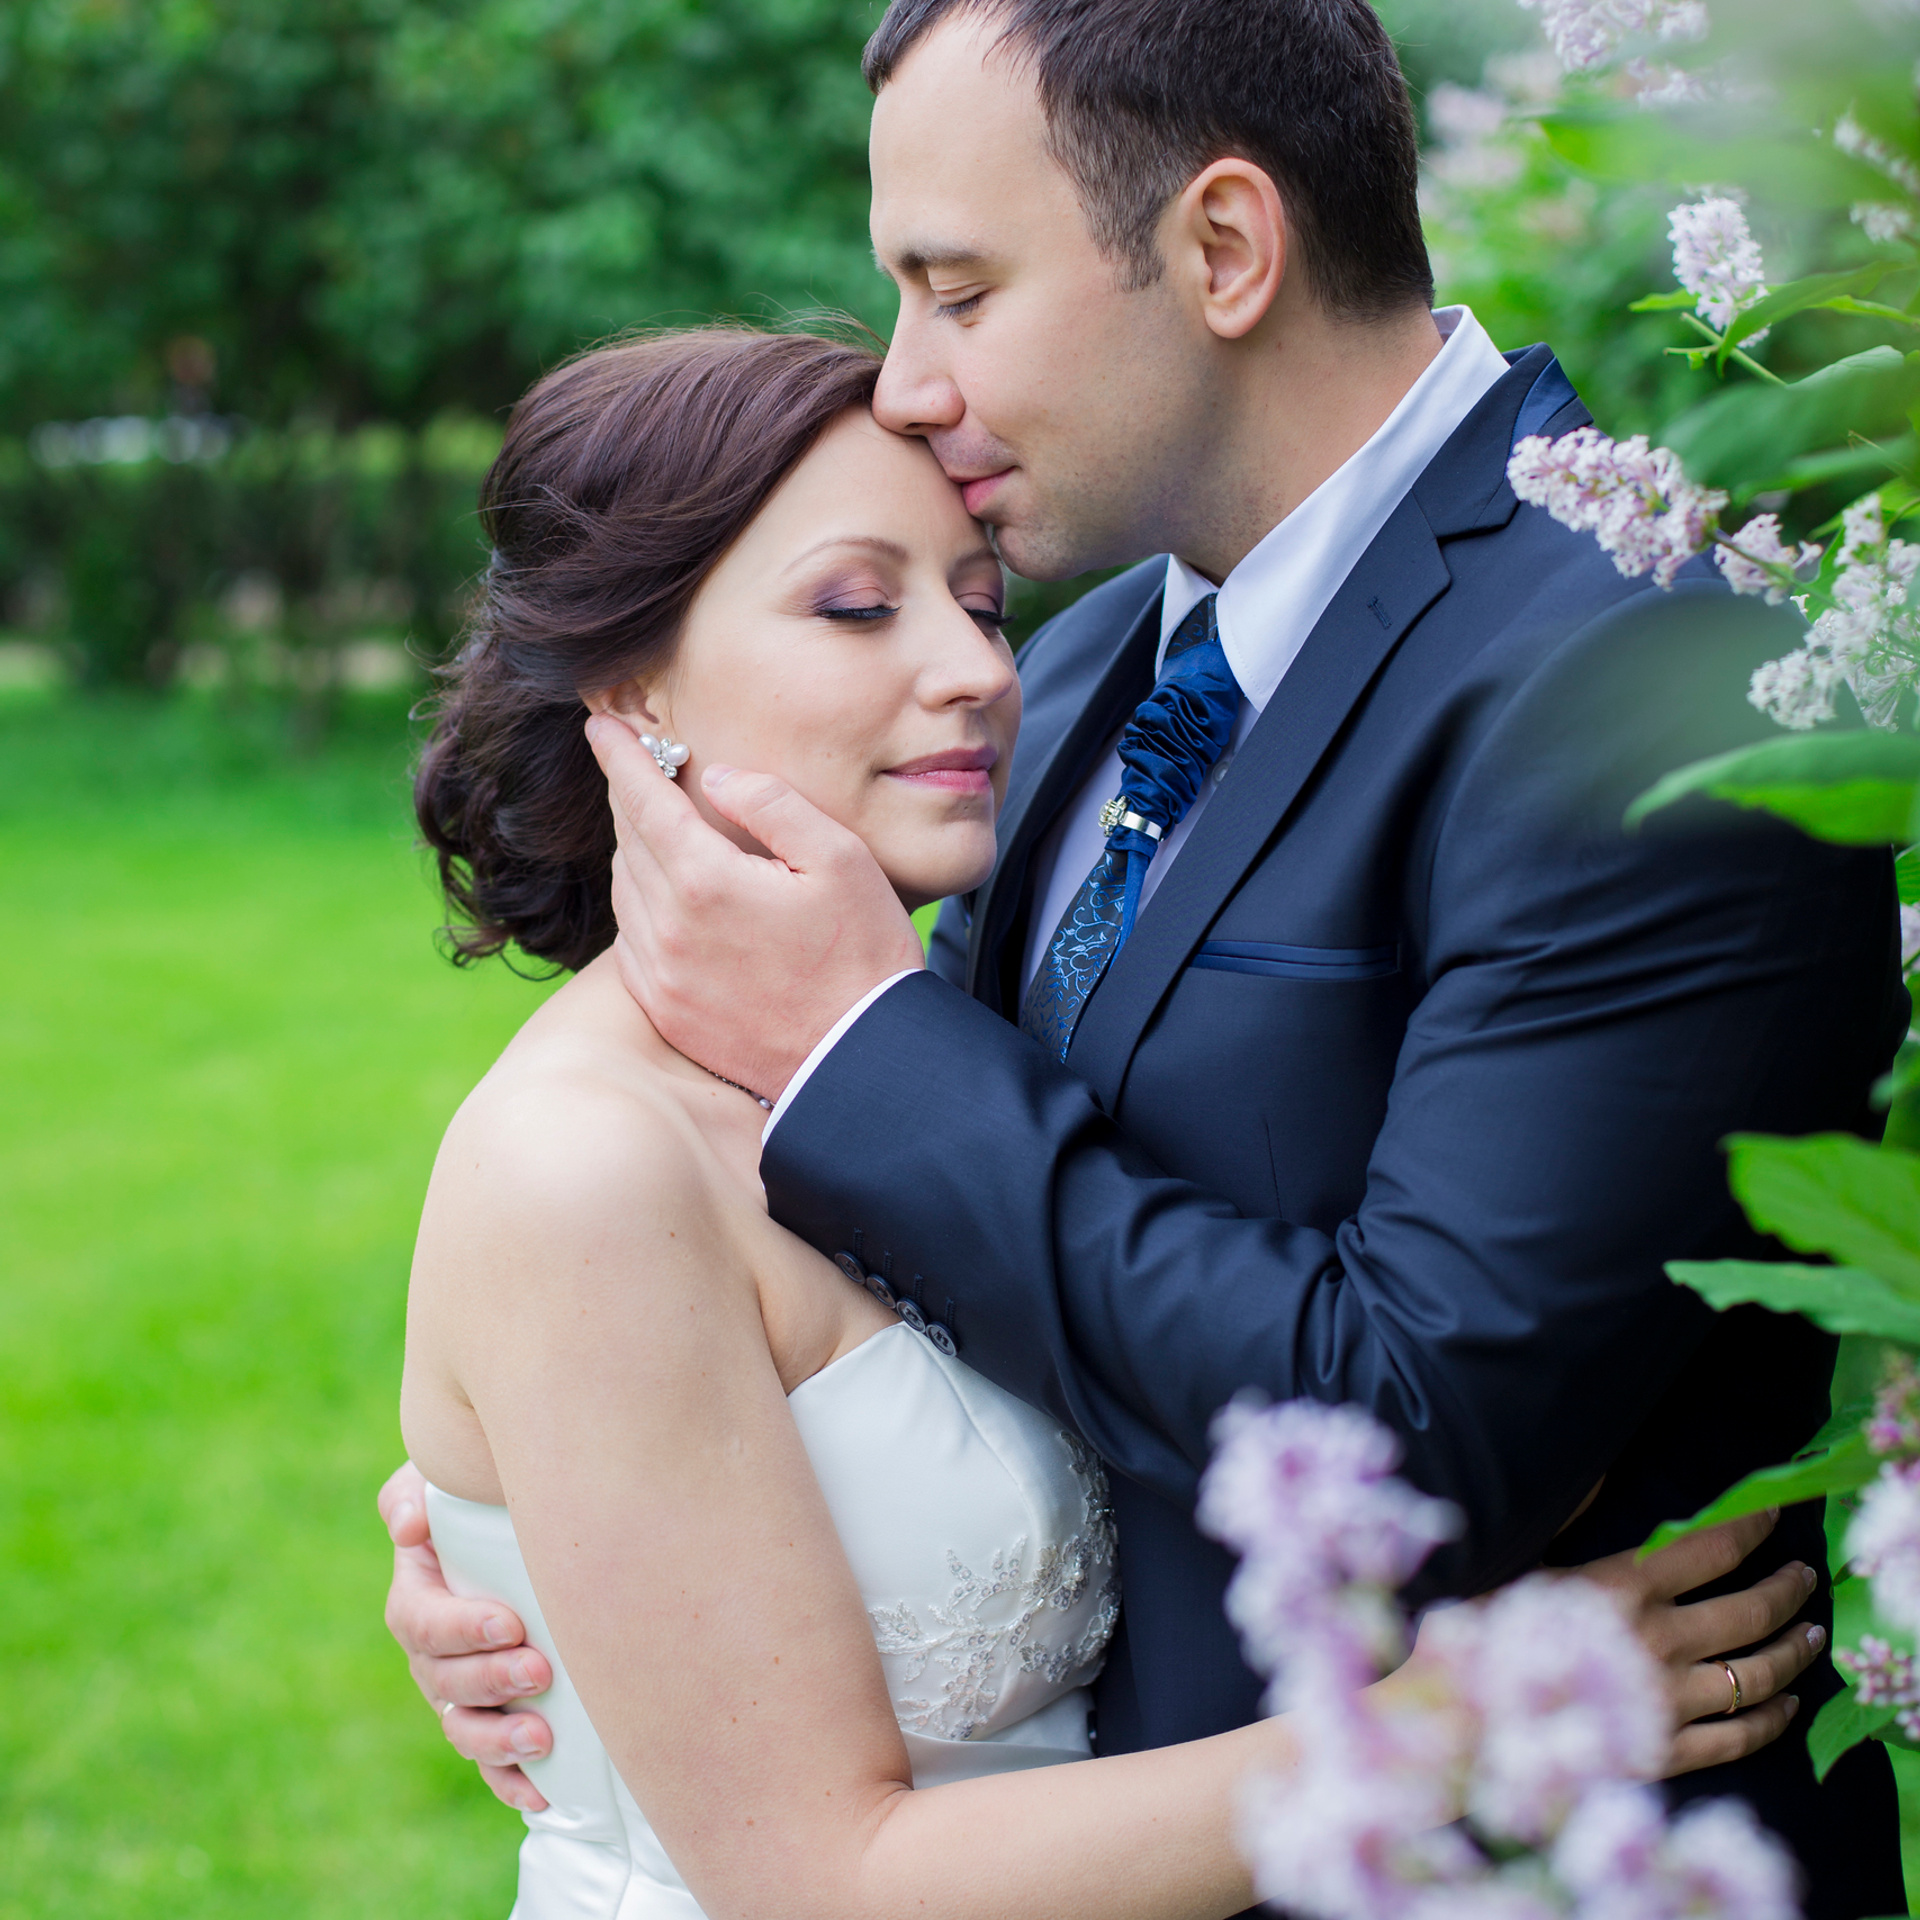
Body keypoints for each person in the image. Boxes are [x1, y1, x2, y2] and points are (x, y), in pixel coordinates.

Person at [387, 2, 1908, 1912]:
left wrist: (861, 1047)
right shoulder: (1092, 673)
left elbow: (1423, 1432)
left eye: (959, 292)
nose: (910, 383)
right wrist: (563, 1526)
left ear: (1224, 248)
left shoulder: (1641, 680)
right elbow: (909, 1285)